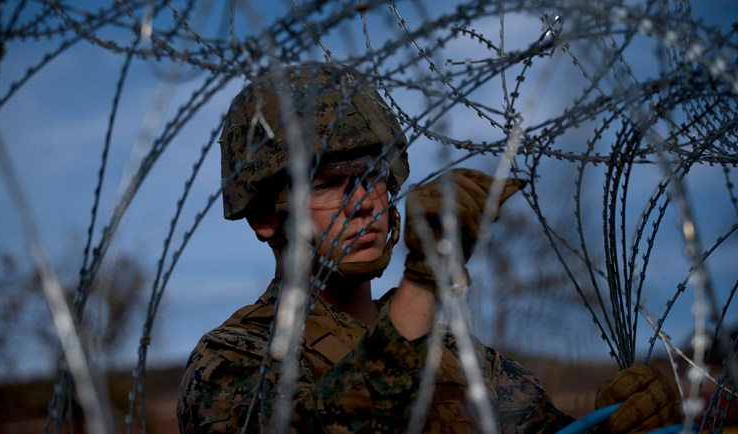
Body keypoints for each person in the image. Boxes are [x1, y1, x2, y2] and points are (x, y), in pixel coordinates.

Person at [177, 62, 682, 433]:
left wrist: (620, 421)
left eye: (374, 176)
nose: (364, 203)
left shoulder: (458, 359)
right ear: (265, 215)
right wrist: (423, 283)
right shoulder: (233, 360)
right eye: (329, 184)